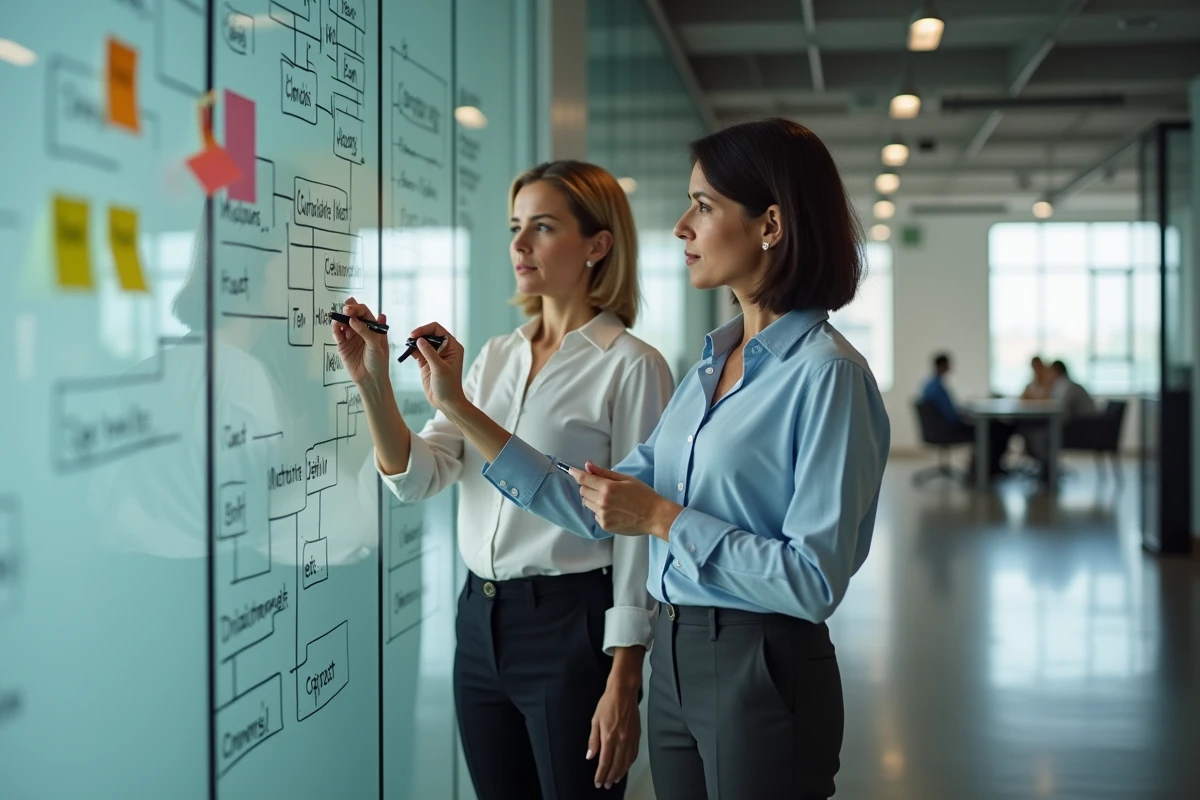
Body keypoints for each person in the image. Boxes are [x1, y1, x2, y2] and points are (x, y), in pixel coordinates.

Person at [400, 118, 890, 799]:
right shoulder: (708, 370)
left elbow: (812, 579)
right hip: (679, 655)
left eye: (704, 206)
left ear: (771, 224)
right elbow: (590, 504)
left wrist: (664, 520)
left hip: (762, 658)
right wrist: (456, 406)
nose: (681, 228)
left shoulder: (827, 375)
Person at [331, 161, 674, 798]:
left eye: (542, 227)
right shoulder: (494, 355)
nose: (519, 244)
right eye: (516, 226)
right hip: (478, 622)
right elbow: (420, 477)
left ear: (598, 244)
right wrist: (374, 383)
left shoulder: (633, 366)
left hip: (572, 627)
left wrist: (625, 677)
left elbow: (637, 530)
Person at [920, 352, 1011, 477]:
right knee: (995, 429)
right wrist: (966, 416)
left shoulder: (929, 384)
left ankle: (983, 468)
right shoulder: (938, 387)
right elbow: (951, 415)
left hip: (938, 429)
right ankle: (988, 470)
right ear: (944, 365)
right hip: (948, 429)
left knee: (991, 427)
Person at [1023, 360, 1097, 473]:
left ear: (1057, 372)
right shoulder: (1063, 385)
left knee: (1038, 434)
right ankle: (1046, 469)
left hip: (1081, 429)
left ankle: (1047, 471)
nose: (1047, 374)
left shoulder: (1067, 386)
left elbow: (1059, 408)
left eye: (1050, 371)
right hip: (1078, 424)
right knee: (1035, 431)